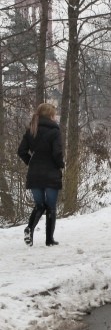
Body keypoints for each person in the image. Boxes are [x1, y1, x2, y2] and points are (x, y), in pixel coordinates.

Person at [17, 102, 65, 246]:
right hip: (50, 172)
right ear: (51, 115)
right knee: (50, 206)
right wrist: (60, 165)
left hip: (34, 173)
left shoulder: (31, 129)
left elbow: (21, 151)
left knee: (39, 205)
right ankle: (49, 240)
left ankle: (29, 229)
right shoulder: (55, 131)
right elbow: (57, 153)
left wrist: (30, 161)